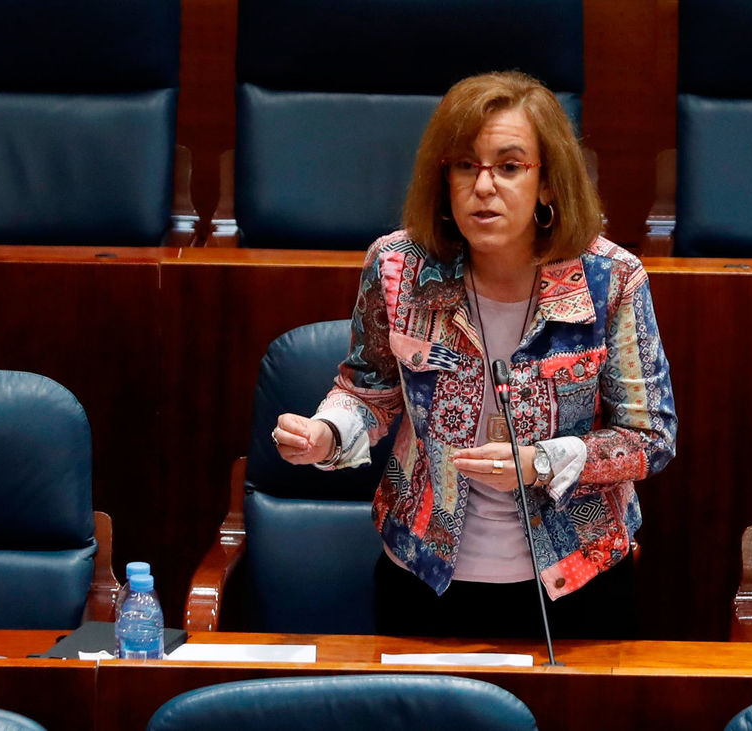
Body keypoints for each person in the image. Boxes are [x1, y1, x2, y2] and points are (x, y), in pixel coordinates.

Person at [270, 71, 676, 639]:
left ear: (549, 184)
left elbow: (649, 437)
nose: (484, 186)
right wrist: (328, 433)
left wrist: (541, 461)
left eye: (509, 167)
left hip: (576, 578)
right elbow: (370, 388)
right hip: (423, 572)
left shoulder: (610, 279)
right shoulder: (398, 267)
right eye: (465, 165)